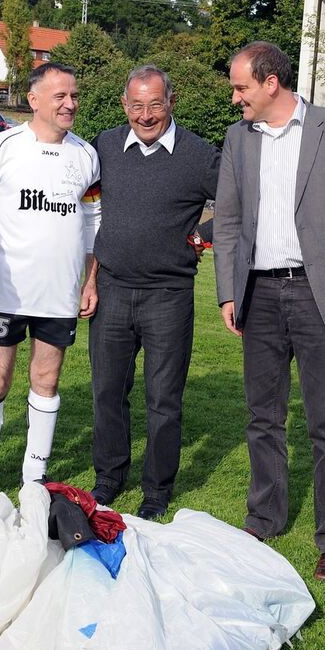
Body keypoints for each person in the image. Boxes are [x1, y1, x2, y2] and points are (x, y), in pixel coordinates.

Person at [213, 41, 325, 581]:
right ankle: (265, 517)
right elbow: (229, 222)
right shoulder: (238, 139)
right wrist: (228, 290)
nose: (235, 98)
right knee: (263, 417)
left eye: (241, 88)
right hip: (258, 294)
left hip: (319, 292)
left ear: (271, 83)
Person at [88, 65, 220, 520]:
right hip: (112, 289)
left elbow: (243, 201)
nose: (146, 115)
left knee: (163, 399)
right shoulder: (104, 146)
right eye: (137, 105)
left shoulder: (198, 154)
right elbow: (81, 207)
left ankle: (156, 491)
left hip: (169, 294)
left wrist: (202, 237)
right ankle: (108, 476)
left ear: (171, 102)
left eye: (156, 105)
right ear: (125, 105)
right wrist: (88, 277)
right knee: (107, 390)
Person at [0, 62, 100, 494]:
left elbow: (93, 222)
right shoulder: (1, 147)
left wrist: (90, 280)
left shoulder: (86, 155)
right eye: (61, 96)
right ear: (34, 100)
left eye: (74, 95)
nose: (70, 103)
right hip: (5, 292)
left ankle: (33, 477)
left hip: (59, 294)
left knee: (46, 383)